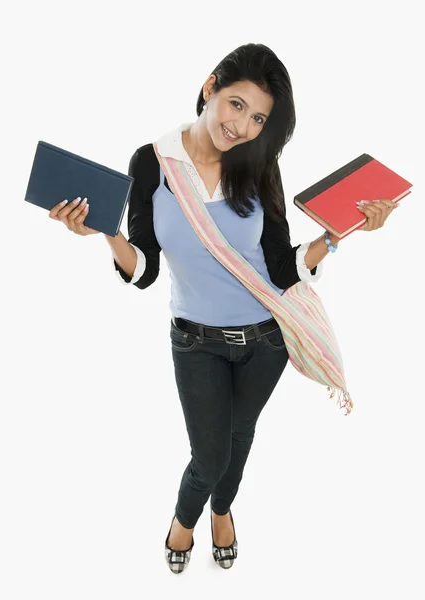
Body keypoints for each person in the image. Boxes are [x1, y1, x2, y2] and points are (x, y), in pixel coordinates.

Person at [49, 43, 399, 574]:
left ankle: (224, 508)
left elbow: (281, 268)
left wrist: (336, 233)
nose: (243, 126)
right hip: (196, 342)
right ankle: (183, 522)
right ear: (210, 87)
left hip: (267, 340)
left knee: (240, 441)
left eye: (258, 117)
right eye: (236, 105)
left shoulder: (259, 165)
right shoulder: (152, 162)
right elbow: (144, 271)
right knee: (209, 456)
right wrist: (108, 232)